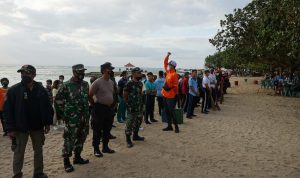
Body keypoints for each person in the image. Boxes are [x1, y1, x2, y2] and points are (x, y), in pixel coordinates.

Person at [3, 65, 53, 178]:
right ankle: (17, 174)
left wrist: (47, 123)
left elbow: (47, 107)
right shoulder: (13, 90)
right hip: (20, 128)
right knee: (19, 152)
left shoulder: (41, 89)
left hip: (37, 126)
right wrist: (10, 129)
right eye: (22, 73)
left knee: (38, 151)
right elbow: (7, 111)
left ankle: (38, 173)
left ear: (34, 75)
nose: (24, 75)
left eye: (27, 73)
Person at [55, 64, 90, 173]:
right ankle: (66, 162)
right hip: (72, 119)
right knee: (69, 139)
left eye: (83, 72)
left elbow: (86, 99)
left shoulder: (85, 84)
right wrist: (63, 115)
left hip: (84, 118)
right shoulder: (66, 85)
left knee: (81, 137)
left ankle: (77, 157)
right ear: (74, 72)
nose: (82, 74)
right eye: (79, 72)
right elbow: (58, 101)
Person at [89, 62, 116, 158]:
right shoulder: (97, 82)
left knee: (107, 129)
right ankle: (96, 149)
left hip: (109, 109)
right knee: (97, 130)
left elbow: (111, 94)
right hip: (99, 108)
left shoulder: (111, 82)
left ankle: (105, 147)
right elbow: (90, 95)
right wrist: (94, 105)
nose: (112, 71)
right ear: (104, 70)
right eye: (110, 69)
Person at [123, 67, 145, 148]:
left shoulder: (140, 83)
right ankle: (128, 140)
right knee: (129, 123)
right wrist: (128, 104)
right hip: (131, 107)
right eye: (138, 73)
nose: (140, 74)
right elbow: (125, 94)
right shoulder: (129, 83)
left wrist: (142, 104)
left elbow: (140, 94)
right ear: (133, 74)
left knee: (138, 121)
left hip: (139, 106)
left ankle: (135, 136)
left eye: (140, 73)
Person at [161, 52, 179, 133]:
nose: (168, 65)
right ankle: (169, 126)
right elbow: (165, 63)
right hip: (165, 94)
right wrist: (167, 56)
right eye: (169, 65)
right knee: (166, 111)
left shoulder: (174, 74)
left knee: (172, 112)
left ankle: (176, 127)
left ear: (173, 66)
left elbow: (176, 86)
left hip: (171, 96)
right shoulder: (168, 72)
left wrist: (170, 90)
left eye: (170, 65)